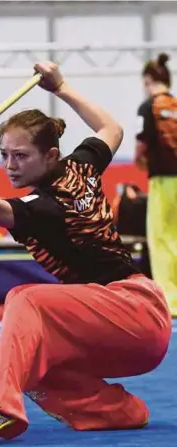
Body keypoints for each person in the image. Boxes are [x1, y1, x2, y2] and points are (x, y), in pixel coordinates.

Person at [0, 62, 173, 447]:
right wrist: (61, 86)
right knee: (32, 359)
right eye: (5, 155)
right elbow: (111, 129)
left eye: (21, 156)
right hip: (122, 324)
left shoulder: (43, 206)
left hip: (135, 311)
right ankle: (120, 411)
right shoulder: (82, 165)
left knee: (23, 298)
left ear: (49, 156)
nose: (10, 166)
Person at [134, 53, 177, 317]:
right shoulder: (176, 104)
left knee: (161, 240)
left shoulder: (147, 107)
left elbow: (140, 147)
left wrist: (141, 163)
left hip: (162, 181)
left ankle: (169, 300)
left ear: (149, 80)